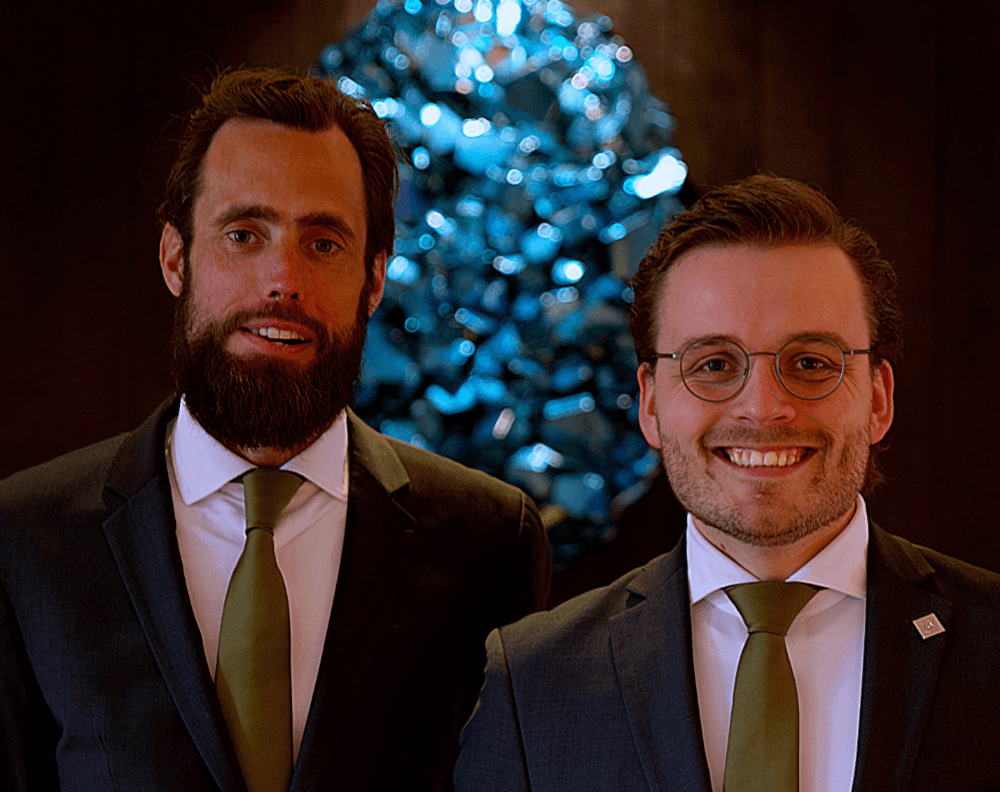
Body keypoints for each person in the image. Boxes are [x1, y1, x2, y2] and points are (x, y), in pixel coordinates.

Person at [0, 68, 550, 791]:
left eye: (323, 244)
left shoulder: (491, 543)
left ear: (374, 280)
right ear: (176, 258)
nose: (282, 279)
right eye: (243, 234)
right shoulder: (24, 541)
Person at [453, 175, 1000, 792]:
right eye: (713, 364)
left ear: (878, 399)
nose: (762, 408)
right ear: (650, 404)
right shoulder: (532, 682)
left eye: (811, 363)